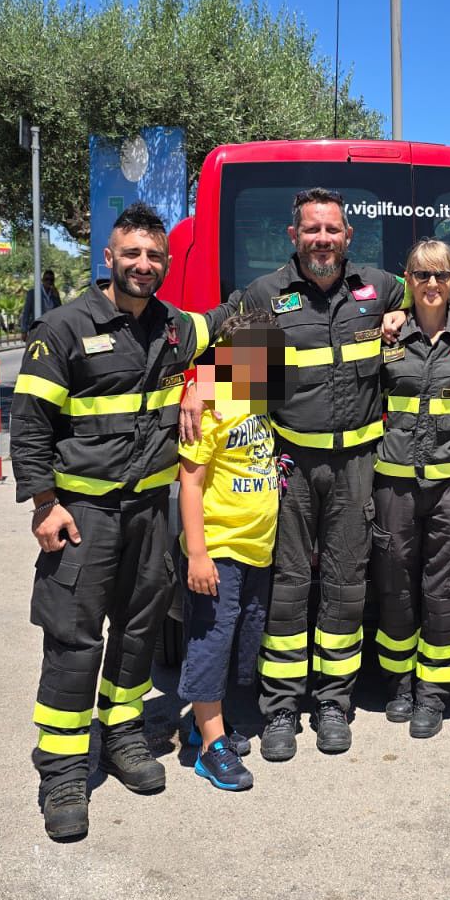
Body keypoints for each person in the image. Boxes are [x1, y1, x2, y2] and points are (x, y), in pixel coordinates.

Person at [10, 203, 220, 841]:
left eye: (155, 257)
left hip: (152, 513)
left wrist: (205, 381)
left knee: (138, 629)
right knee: (75, 639)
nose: (143, 266)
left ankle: (124, 733)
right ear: (109, 257)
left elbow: (252, 330)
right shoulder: (64, 326)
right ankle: (65, 769)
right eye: (132, 254)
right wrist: (44, 505)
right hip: (84, 515)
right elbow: (31, 423)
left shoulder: (175, 327)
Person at [234, 188, 405, 761]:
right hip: (291, 468)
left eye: (332, 230)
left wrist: (404, 312)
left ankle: (334, 701)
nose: (323, 240)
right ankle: (281, 705)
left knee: (345, 584)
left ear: (348, 236)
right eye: (312, 230)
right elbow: (242, 388)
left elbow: (446, 293)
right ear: (294, 236)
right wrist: (196, 395)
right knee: (286, 586)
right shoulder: (264, 296)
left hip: (358, 467)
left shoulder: (380, 289)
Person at [371, 239, 450, 739]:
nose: (431, 284)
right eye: (420, 275)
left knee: (445, 590)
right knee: (394, 586)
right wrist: (208, 385)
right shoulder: (384, 335)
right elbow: (314, 372)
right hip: (394, 484)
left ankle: (433, 692)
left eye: (440, 275)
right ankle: (399, 684)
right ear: (406, 281)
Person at [175, 311, 282, 791]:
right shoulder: (212, 403)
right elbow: (190, 485)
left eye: (266, 354)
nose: (258, 362)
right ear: (226, 356)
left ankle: (205, 727)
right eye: (247, 355)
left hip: (256, 550)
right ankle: (210, 747)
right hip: (219, 550)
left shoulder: (255, 399)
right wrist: (198, 554)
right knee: (211, 643)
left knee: (238, 641)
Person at [20, 269, 63, 338]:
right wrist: (24, 330)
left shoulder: (54, 294)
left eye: (51, 280)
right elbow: (26, 313)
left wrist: (57, 297)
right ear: (42, 280)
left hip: (51, 329)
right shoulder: (33, 293)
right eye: (47, 279)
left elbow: (60, 311)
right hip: (37, 328)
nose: (49, 282)